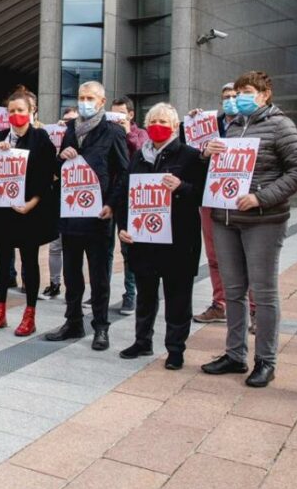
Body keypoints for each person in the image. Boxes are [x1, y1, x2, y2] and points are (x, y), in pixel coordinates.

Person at [201, 71, 297, 387]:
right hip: (225, 220)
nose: (239, 98)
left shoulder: (281, 125)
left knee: (263, 293)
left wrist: (261, 197)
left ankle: (266, 360)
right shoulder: (233, 125)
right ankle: (235, 354)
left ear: (265, 94)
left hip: (263, 220)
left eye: (247, 91)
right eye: (236, 93)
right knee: (233, 292)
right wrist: (207, 154)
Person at [116, 103, 206, 370]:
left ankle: (175, 349)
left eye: (164, 122)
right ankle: (142, 341)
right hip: (143, 240)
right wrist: (123, 226)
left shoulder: (190, 156)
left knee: (178, 297)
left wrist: (181, 187)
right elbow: (125, 194)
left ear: (175, 126)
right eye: (153, 120)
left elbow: (202, 193)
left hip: (178, 240)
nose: (158, 126)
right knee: (145, 295)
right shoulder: (138, 157)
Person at [45, 81, 129, 350]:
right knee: (71, 273)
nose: (85, 102)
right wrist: (61, 156)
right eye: (81, 97)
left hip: (99, 216)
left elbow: (125, 172)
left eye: (90, 97)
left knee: (99, 275)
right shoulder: (70, 129)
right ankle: (73, 321)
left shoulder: (113, 132)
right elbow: (61, 168)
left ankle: (101, 327)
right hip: (71, 214)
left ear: (102, 102)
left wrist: (112, 204)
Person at [0, 87, 57, 335]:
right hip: (3, 212)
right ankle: (0, 311)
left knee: (29, 262)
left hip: (29, 211)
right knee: (2, 263)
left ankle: (29, 315)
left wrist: (32, 202)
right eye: (12, 111)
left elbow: (47, 175)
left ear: (31, 111)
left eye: (20, 110)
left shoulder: (41, 138)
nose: (16, 115)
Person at [193, 82, 257, 325]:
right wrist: (194, 124)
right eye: (226, 97)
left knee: (248, 258)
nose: (231, 100)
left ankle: (254, 309)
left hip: (242, 199)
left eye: (235, 96)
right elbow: (192, 153)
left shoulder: (255, 123)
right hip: (212, 198)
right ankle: (220, 303)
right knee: (214, 255)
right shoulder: (211, 125)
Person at [108, 97, 147, 315]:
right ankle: (99, 292)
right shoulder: (107, 132)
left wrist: (126, 133)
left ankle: (130, 295)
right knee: (104, 248)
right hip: (109, 195)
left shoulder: (140, 133)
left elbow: (141, 153)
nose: (116, 119)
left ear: (130, 115)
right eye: (112, 114)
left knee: (128, 249)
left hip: (131, 197)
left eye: (120, 114)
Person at [42, 106, 78, 300]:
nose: (69, 124)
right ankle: (54, 283)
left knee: (74, 248)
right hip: (58, 198)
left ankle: (73, 288)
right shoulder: (54, 139)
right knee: (55, 246)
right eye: (66, 120)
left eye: (73, 121)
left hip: (77, 201)